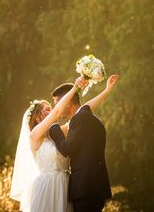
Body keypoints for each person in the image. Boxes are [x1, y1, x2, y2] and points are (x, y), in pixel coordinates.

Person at [10, 76, 88, 212]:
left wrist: (106, 91)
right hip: (47, 187)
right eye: (47, 109)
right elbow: (58, 111)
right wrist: (75, 87)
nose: (52, 110)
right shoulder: (35, 136)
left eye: (51, 108)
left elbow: (83, 112)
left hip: (65, 186)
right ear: (38, 116)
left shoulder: (57, 133)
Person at [49, 75, 119, 212]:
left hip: (85, 188)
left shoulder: (80, 119)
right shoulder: (88, 117)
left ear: (67, 102)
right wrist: (106, 90)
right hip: (94, 188)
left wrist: (54, 128)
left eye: (57, 103)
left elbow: (67, 148)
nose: (55, 108)